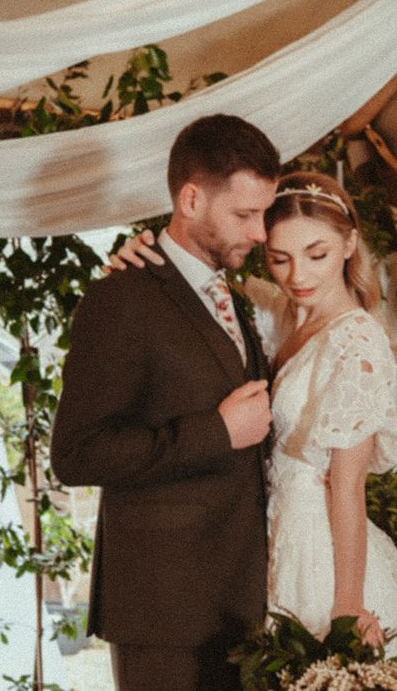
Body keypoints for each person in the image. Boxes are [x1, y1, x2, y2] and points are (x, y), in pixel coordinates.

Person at [113, 170, 397, 689]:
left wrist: (346, 606)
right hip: (268, 539)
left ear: (349, 244)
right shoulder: (285, 315)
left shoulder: (358, 340)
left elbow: (347, 485)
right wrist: (138, 255)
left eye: (316, 254)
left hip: (321, 554)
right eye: (279, 258)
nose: (298, 274)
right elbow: (196, 284)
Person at [50, 114, 281, 691]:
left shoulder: (233, 295)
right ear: (192, 198)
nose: (259, 233)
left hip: (240, 605)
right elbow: (77, 454)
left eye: (263, 214)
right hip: (163, 611)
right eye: (244, 215)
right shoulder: (120, 300)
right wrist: (217, 432)